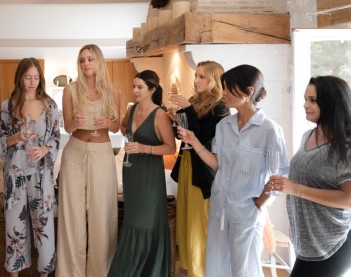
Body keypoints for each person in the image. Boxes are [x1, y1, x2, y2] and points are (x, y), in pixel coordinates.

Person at [177, 64, 288, 277]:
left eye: (228, 88)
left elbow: (277, 178)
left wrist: (256, 206)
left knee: (245, 272)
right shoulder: (224, 126)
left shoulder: (270, 131)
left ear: (248, 92)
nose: (224, 92)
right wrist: (193, 140)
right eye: (223, 86)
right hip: (219, 210)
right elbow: (217, 164)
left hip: (247, 215)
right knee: (217, 269)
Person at [268, 76, 351, 277]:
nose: (305, 105)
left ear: (332, 102)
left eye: (313, 100)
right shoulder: (308, 136)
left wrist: (295, 189)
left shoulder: (349, 145)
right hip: (310, 240)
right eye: (305, 99)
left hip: (336, 239)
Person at [56, 44, 121, 277]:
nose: (86, 64)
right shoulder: (70, 90)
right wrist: (74, 121)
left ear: (98, 61)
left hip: (102, 152)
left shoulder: (113, 90)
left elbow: (116, 126)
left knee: (102, 215)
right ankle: (70, 273)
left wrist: (108, 124)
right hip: (74, 152)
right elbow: (67, 126)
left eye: (90, 59)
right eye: (82, 60)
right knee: (71, 214)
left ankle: (100, 271)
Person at [108, 70, 176, 277]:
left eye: (140, 87)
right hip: (131, 173)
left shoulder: (160, 115)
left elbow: (171, 147)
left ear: (152, 90)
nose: (135, 91)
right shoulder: (132, 109)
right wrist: (129, 136)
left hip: (149, 177)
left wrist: (144, 148)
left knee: (143, 222)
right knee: (131, 221)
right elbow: (122, 126)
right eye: (133, 86)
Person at [0, 58, 61, 276]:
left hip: (41, 175)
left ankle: (45, 273)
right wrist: (14, 137)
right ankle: (14, 273)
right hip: (15, 176)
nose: (32, 82)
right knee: (14, 225)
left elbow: (56, 138)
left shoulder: (50, 106)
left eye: (35, 77)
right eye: (27, 77)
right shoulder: (7, 106)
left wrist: (45, 150)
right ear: (20, 78)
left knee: (44, 226)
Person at [169, 61, 230, 277]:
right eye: (196, 75)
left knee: (199, 224)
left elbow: (205, 138)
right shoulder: (194, 101)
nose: (196, 80)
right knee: (187, 220)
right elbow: (185, 133)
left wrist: (186, 110)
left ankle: (202, 271)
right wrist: (174, 119)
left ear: (214, 80)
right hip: (187, 164)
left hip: (203, 171)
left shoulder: (220, 108)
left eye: (202, 77)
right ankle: (189, 268)